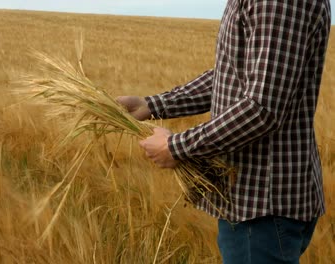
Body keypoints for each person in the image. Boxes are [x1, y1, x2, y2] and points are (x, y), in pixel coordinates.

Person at [117, 0, 331, 263]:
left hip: (261, 207)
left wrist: (177, 148)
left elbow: (262, 109)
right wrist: (153, 105)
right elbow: (235, 74)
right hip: (253, 204)